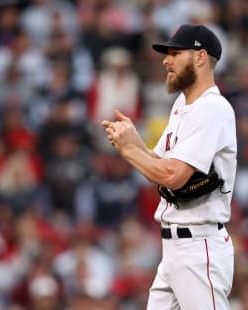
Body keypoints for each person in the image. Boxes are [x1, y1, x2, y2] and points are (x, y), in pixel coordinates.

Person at [102, 24, 237, 309]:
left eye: (175, 53)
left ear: (200, 57)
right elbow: (159, 165)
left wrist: (129, 151)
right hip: (176, 249)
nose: (166, 60)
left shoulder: (212, 108)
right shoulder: (183, 105)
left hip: (199, 247)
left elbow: (172, 176)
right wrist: (135, 143)